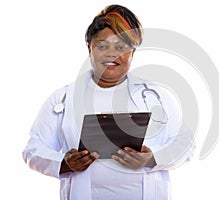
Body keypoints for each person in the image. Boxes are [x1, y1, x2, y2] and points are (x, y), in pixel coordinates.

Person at [22, 4, 195, 200]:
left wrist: (152, 159)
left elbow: (186, 144)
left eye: (120, 47)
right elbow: (33, 150)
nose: (111, 54)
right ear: (89, 48)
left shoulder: (157, 96)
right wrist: (65, 162)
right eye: (102, 45)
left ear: (132, 53)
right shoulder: (63, 98)